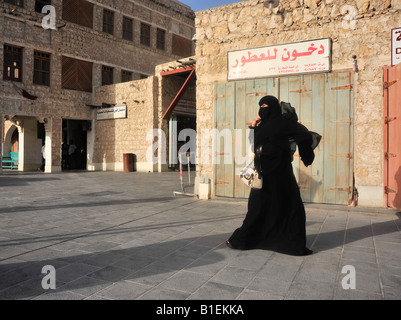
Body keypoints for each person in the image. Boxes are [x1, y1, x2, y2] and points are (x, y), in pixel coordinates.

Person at [226, 95, 317, 256]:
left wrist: (305, 154)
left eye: (266, 106)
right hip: (263, 173)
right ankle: (242, 239)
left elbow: (303, 133)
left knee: (291, 206)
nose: (263, 109)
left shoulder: (284, 122)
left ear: (274, 107)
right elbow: (254, 145)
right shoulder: (262, 125)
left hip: (281, 174)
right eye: (261, 106)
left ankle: (292, 244)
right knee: (257, 208)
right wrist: (253, 126)